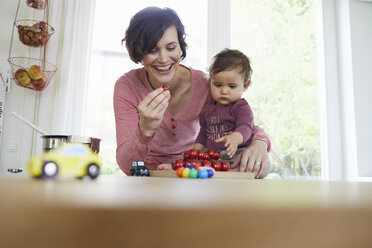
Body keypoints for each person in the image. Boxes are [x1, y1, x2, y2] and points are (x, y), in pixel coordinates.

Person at [114, 6, 271, 178]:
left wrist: (260, 143)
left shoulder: (206, 85)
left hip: (191, 173)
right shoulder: (127, 87)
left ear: (180, 47)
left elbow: (242, 120)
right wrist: (144, 130)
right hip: (150, 177)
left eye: (171, 47)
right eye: (152, 50)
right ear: (138, 52)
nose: (163, 58)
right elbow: (126, 166)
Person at [194, 48, 256, 165]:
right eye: (217, 85)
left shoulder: (241, 107)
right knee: (196, 162)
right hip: (212, 157)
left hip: (235, 154)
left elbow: (246, 127)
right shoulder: (207, 109)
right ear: (210, 82)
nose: (224, 91)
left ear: (245, 85)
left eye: (232, 86)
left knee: (258, 163)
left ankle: (232, 169)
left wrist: (235, 138)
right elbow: (203, 133)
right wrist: (197, 149)